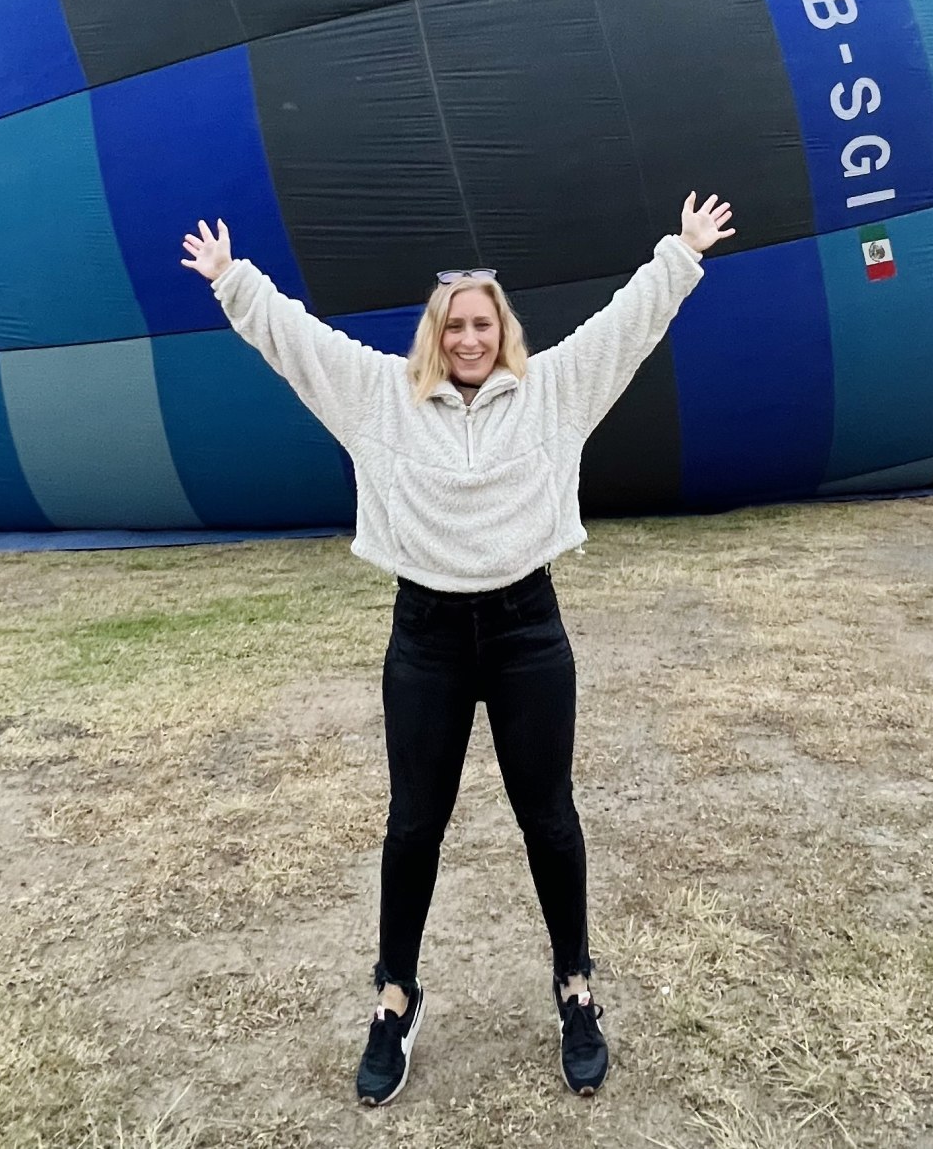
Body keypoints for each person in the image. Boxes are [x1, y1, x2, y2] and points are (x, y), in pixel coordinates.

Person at [180, 193, 736, 1106]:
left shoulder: (553, 390)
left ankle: (576, 987)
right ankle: (395, 997)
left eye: (483, 323)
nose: (470, 339)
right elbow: (299, 343)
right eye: (455, 325)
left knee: (549, 817)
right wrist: (234, 281)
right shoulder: (381, 398)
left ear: (502, 330)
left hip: (527, 631)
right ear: (434, 335)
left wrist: (681, 253)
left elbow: (624, 329)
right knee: (413, 824)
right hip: (427, 637)